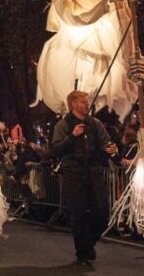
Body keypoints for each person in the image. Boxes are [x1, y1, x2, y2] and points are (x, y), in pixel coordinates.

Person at [50, 90, 118, 266]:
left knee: (102, 211)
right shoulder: (63, 125)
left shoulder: (95, 124)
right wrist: (72, 136)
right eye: (83, 102)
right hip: (73, 172)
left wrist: (111, 149)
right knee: (78, 214)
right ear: (74, 104)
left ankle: (88, 243)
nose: (87, 105)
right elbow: (55, 150)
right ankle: (82, 253)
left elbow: (106, 143)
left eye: (87, 102)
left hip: (93, 170)